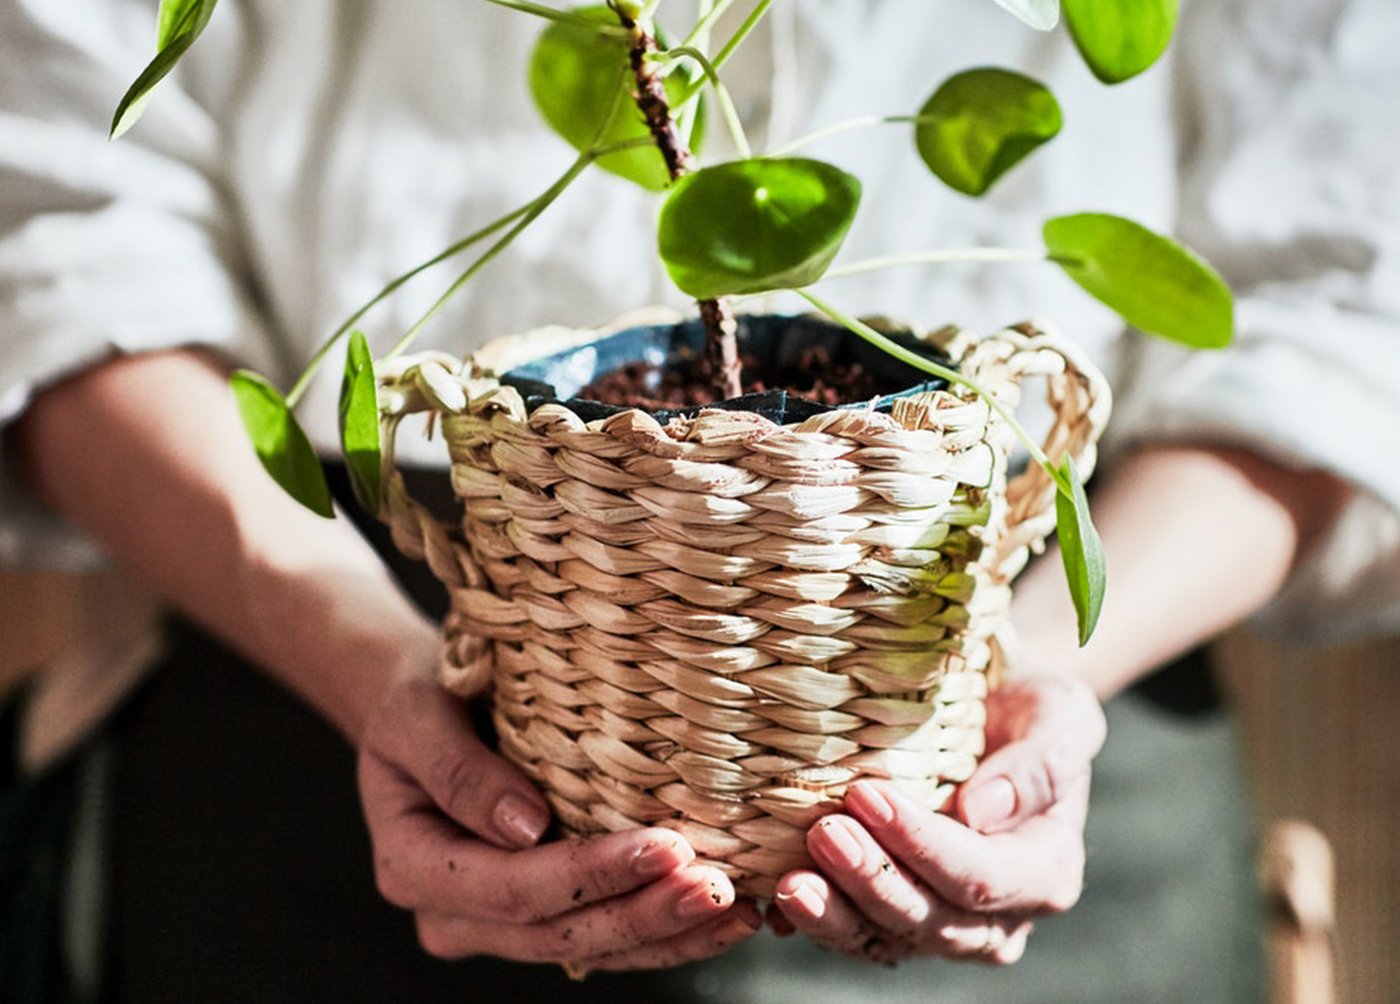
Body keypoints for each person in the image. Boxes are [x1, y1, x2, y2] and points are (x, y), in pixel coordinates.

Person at [1, 0, 1395, 1001]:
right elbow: (59, 226)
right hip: (331, 684)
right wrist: (350, 642)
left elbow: (1345, 295)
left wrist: (1021, 686)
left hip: (1034, 678)